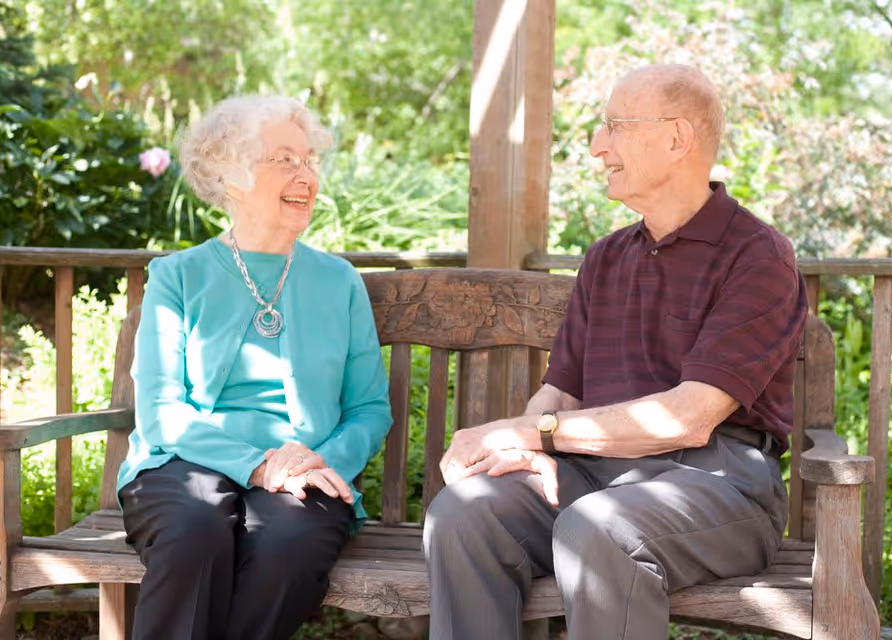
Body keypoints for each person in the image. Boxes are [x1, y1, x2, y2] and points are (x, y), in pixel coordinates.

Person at [425, 64, 808, 640]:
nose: (596, 146)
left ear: (677, 138)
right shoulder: (606, 258)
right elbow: (559, 391)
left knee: (598, 529)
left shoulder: (757, 256)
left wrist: (531, 433)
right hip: (596, 477)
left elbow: (688, 417)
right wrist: (527, 452)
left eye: (614, 127)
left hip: (720, 487)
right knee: (462, 514)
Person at [116, 96, 392, 640]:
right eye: (285, 159)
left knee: (287, 547)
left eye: (310, 160)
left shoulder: (339, 282)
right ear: (231, 175)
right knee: (194, 531)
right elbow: (161, 413)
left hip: (305, 473)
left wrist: (318, 463)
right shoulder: (178, 277)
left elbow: (368, 409)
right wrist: (261, 466)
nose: (305, 175)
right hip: (183, 460)